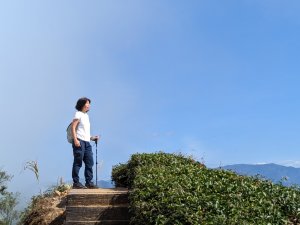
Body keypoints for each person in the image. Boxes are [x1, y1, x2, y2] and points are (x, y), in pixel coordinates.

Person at [71, 97, 99, 189]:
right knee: (78, 162)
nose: (89, 105)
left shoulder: (86, 116)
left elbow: (84, 132)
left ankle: (89, 182)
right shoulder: (78, 114)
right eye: (87, 103)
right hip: (79, 141)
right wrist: (75, 140)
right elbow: (73, 128)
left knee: (89, 162)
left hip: (87, 142)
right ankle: (76, 183)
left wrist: (92, 138)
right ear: (83, 104)